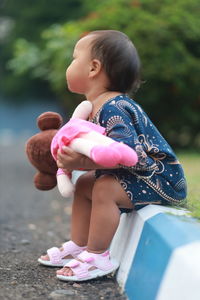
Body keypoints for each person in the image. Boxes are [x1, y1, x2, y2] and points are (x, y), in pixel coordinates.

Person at [38, 30, 187, 281]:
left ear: (93, 68)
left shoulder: (114, 107)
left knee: (104, 188)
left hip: (161, 179)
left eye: (74, 59)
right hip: (138, 175)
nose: (69, 65)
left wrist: (81, 161)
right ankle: (80, 243)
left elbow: (124, 153)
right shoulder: (95, 107)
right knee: (86, 183)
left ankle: (98, 256)